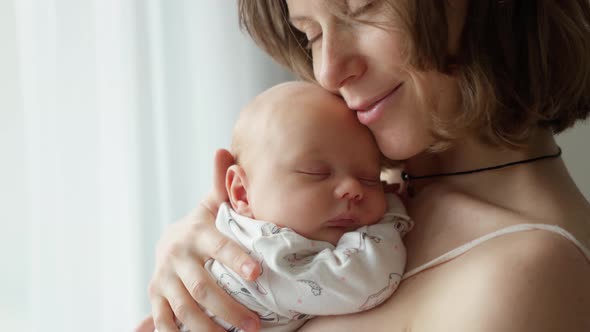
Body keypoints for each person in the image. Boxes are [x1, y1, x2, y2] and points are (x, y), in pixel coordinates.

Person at [137, 1, 590, 331]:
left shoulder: (525, 274)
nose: (329, 71)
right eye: (312, 33)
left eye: (361, 9)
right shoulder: (369, 200)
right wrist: (207, 239)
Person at [160, 81, 412, 332]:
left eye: (370, 179)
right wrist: (392, 214)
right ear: (241, 193)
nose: (354, 189)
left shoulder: (231, 226)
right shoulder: (268, 256)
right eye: (317, 173)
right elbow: (367, 279)